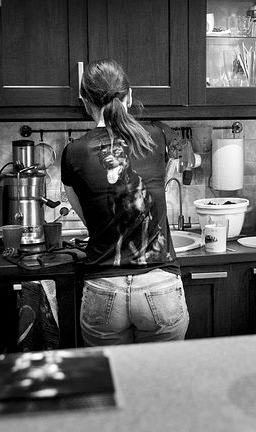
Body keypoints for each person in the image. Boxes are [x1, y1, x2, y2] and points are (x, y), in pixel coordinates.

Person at [61, 59, 189, 346]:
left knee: (112, 386)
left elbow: (88, 218)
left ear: (84, 101)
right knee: (162, 389)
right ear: (129, 96)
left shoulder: (73, 153)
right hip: (159, 286)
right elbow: (166, 180)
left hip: (104, 290)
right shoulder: (159, 136)